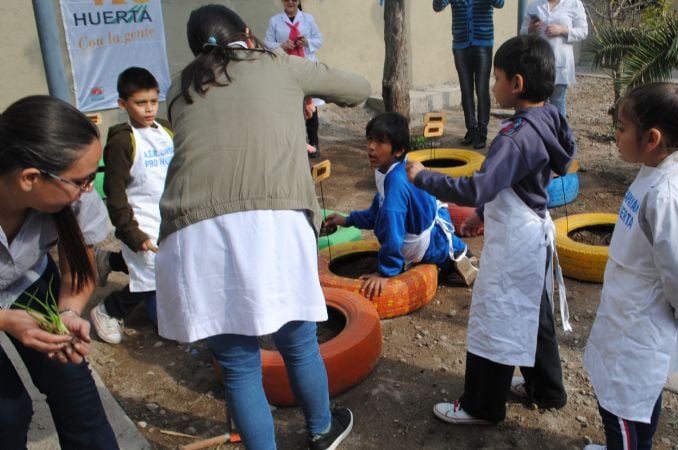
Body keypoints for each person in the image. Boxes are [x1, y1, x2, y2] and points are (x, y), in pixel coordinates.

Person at [156, 5, 370, 449]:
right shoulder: (275, 63)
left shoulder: (179, 88)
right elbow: (359, 90)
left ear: (198, 50)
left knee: (238, 367)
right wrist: (296, 79)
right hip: (275, 222)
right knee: (298, 341)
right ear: (248, 34)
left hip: (193, 232)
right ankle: (321, 428)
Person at [406, 35, 576, 425]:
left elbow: (481, 184)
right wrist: (482, 212)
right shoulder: (548, 118)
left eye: (496, 78)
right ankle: (547, 388)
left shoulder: (516, 137)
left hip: (518, 241)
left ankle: (482, 404)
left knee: (496, 314)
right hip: (531, 231)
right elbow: (509, 184)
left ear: (516, 84)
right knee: (533, 310)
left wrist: (425, 177)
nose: (491, 85)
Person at [582, 79, 678, 450]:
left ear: (652, 138)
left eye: (621, 129)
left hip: (639, 320)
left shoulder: (668, 193)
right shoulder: (653, 172)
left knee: (619, 407)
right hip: (626, 308)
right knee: (634, 398)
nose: (615, 135)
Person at [0, 95, 118, 448]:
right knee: (8, 414)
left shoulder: (73, 198)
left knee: (72, 382)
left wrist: (67, 311)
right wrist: (6, 320)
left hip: (27, 279)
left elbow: (78, 267)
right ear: (30, 178)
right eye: (82, 181)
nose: (87, 190)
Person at [323, 112, 479, 298]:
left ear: (398, 150)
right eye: (370, 139)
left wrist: (386, 271)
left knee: (446, 250)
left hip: (428, 238)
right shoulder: (385, 170)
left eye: (380, 142)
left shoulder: (396, 180)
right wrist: (347, 220)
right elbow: (377, 211)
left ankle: (462, 256)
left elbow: (392, 227)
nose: (371, 147)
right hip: (420, 227)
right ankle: (453, 258)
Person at [91, 67, 174, 344]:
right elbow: (115, 195)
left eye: (153, 101)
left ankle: (109, 260)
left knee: (169, 266)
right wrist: (131, 234)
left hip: (168, 217)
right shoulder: (121, 142)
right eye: (140, 103)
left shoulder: (165, 130)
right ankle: (107, 310)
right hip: (141, 220)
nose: (149, 109)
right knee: (151, 275)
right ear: (122, 104)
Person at [433, 0, 505, 150]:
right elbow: (437, 7)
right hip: (460, 45)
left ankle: (482, 132)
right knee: (466, 90)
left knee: (481, 89)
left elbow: (500, 3)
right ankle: (471, 130)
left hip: (483, 43)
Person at [265, 0, 325, 158]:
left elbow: (319, 40)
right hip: (286, 69)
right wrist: (281, 46)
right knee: (290, 106)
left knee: (310, 106)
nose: (290, 2)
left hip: (306, 67)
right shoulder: (275, 21)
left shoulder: (308, 19)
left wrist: (307, 42)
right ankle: (293, 144)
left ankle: (313, 142)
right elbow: (267, 44)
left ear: (298, 1)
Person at [519, 0, 588, 119]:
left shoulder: (574, 4)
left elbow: (583, 32)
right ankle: (542, 134)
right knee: (538, 103)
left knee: (557, 102)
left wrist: (563, 30)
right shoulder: (535, 5)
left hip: (560, 63)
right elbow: (522, 32)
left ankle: (561, 136)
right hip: (538, 63)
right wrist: (531, 28)